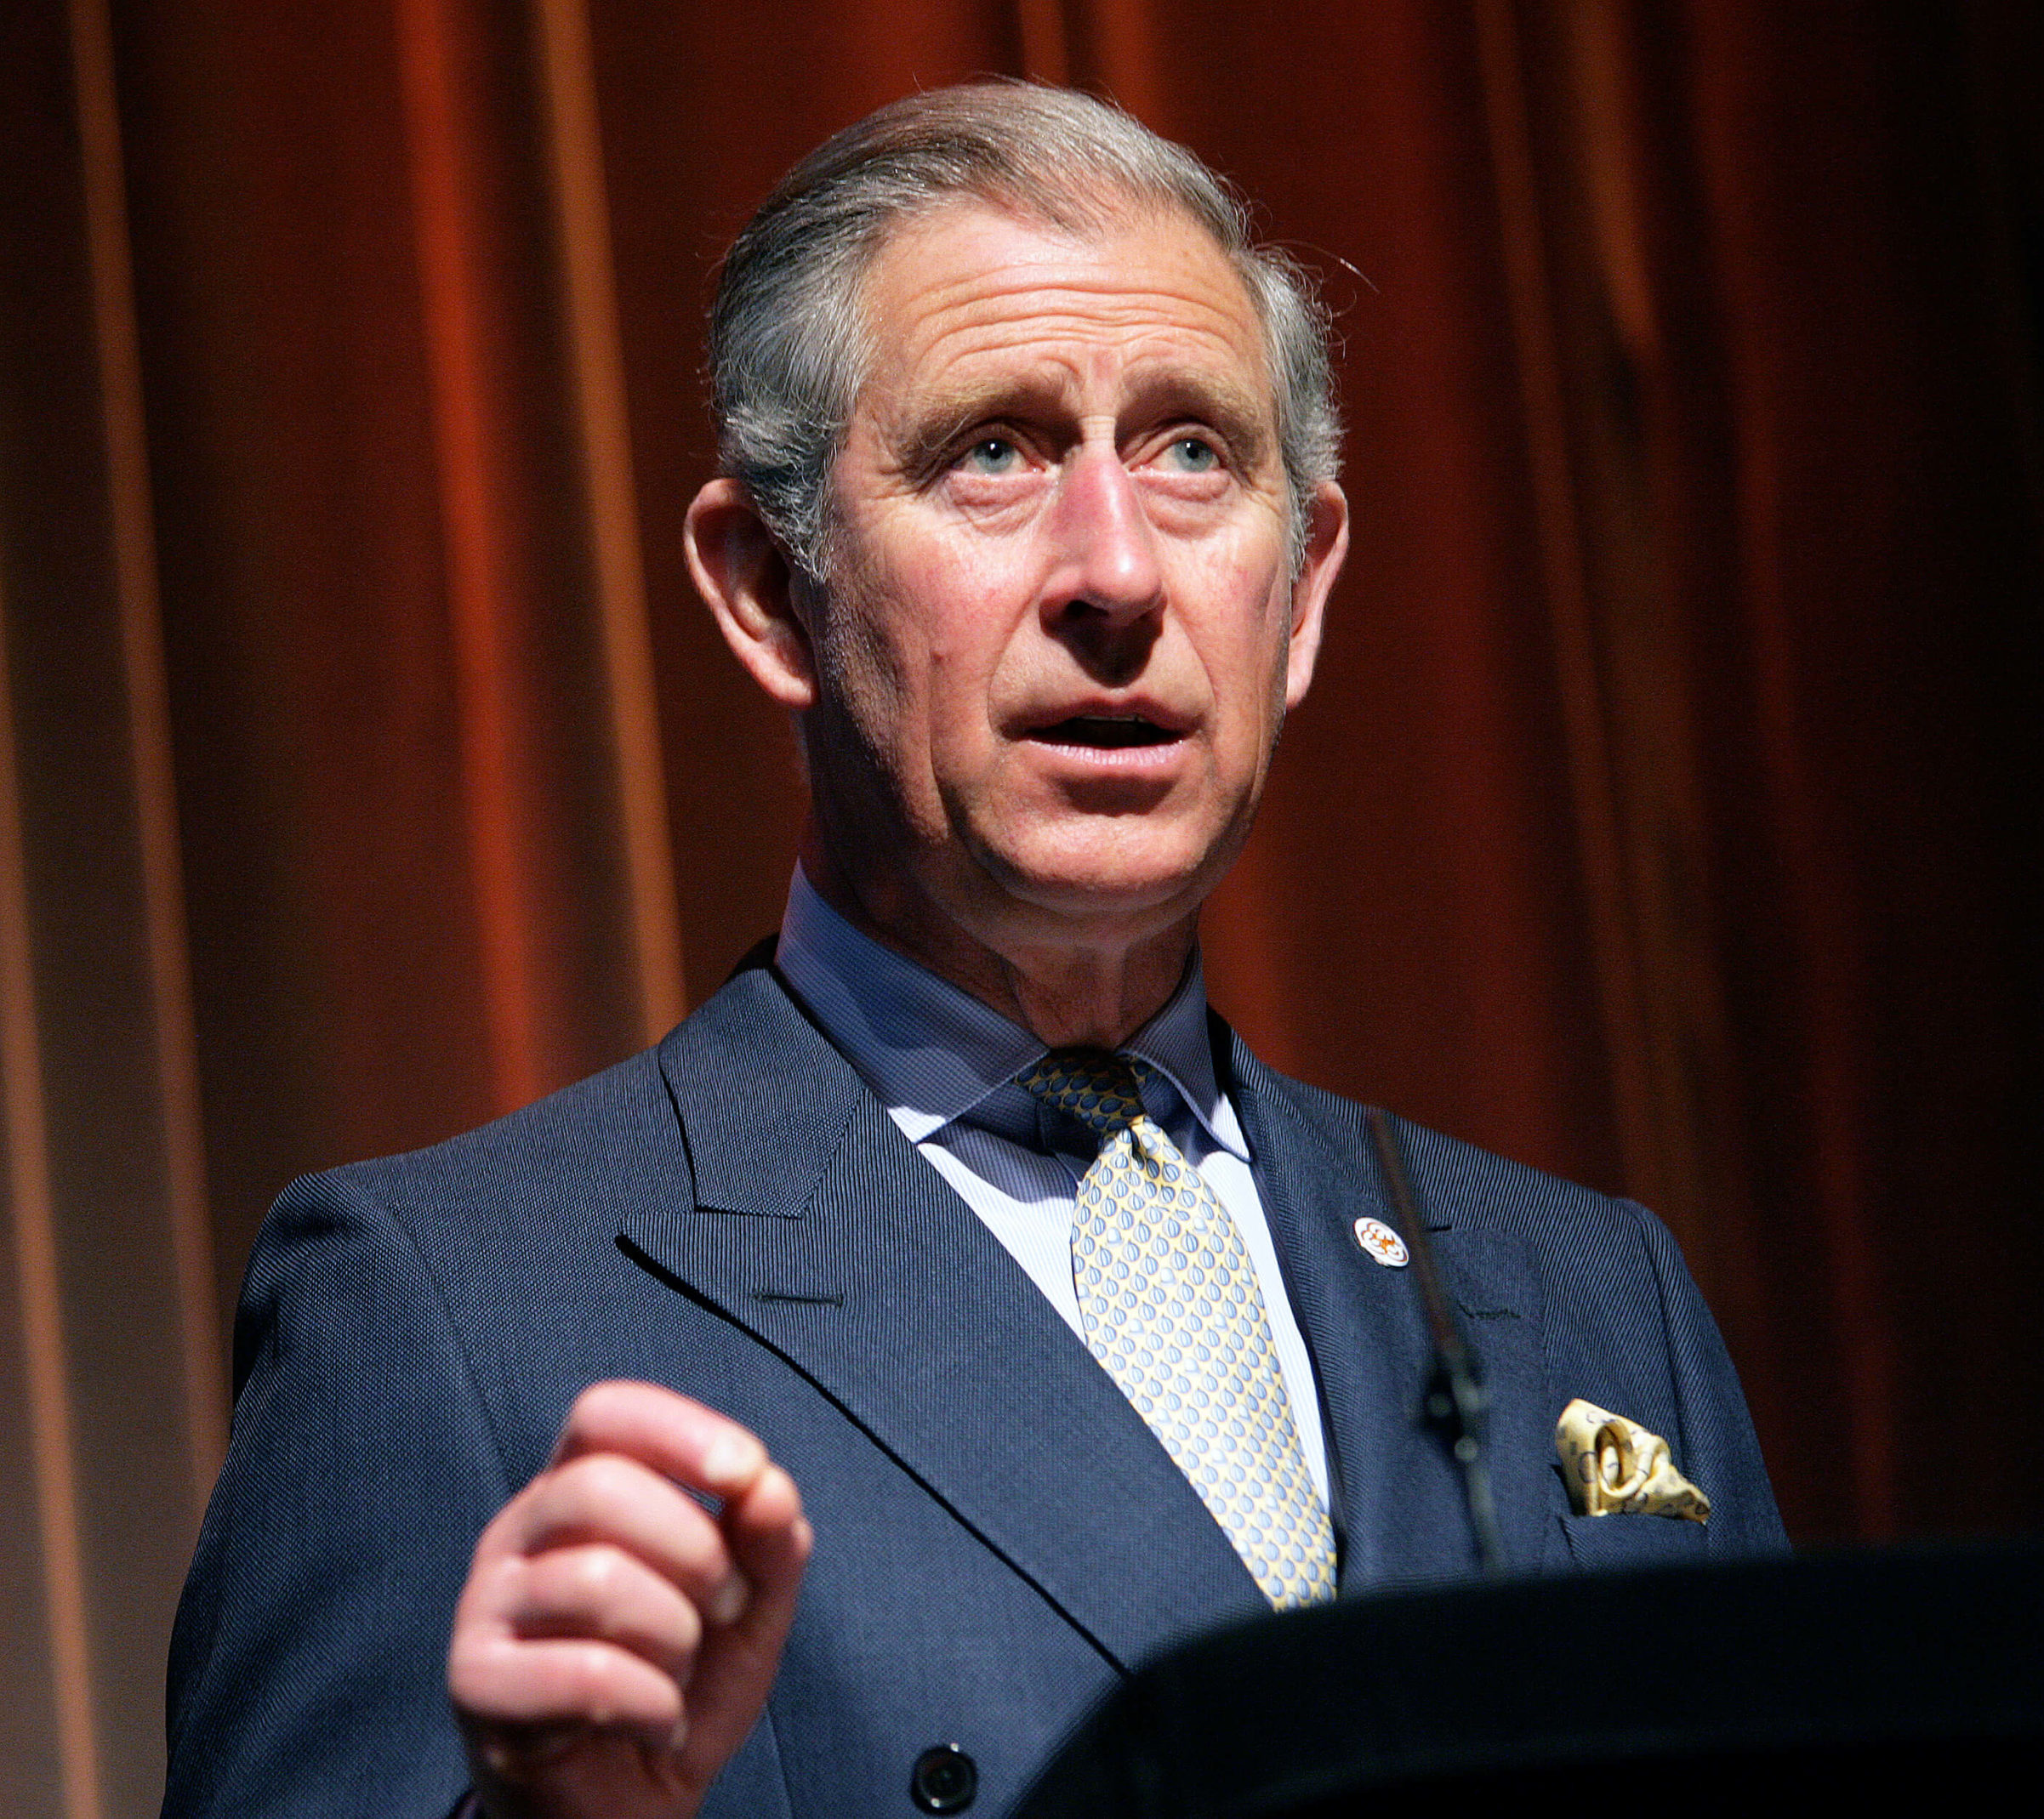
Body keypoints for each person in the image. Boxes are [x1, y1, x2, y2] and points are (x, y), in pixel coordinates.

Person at [162, 82, 1785, 1819]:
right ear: (766, 591)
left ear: (1299, 589)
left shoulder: (1598, 1295)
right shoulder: (450, 1307)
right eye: (992, 450)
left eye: (1190, 451)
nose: (1115, 571)